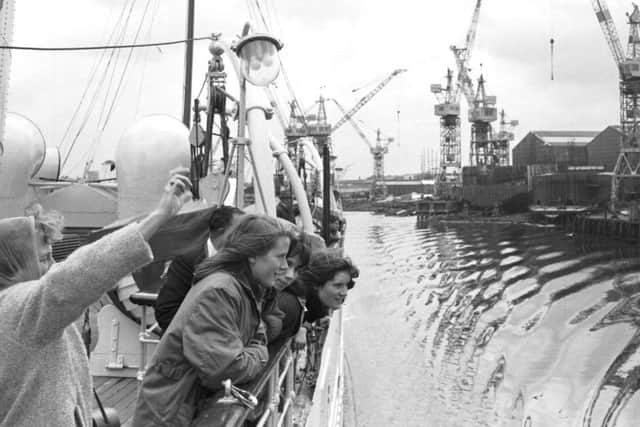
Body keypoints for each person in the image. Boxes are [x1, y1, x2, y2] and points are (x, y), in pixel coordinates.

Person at [0, 169, 192, 427]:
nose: (53, 265)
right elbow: (78, 273)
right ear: (12, 264)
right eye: (44, 258)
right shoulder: (18, 308)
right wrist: (159, 216)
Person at [132, 214, 293, 427]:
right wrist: (260, 355)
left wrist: (252, 351)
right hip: (172, 415)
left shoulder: (244, 288)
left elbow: (257, 336)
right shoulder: (220, 292)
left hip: (183, 408)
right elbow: (226, 369)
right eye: (280, 257)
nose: (285, 267)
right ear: (253, 255)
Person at [154, 205, 244, 331]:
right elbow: (167, 312)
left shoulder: (244, 260)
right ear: (220, 231)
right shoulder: (187, 261)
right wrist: (208, 334)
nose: (245, 237)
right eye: (240, 231)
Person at [275, 248, 359, 348]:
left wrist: (304, 327)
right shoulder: (289, 306)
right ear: (316, 285)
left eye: (346, 285)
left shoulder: (315, 304)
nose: (344, 293)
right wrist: (296, 329)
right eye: (338, 285)